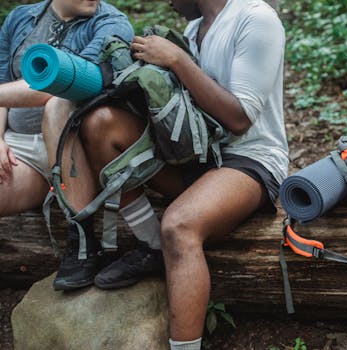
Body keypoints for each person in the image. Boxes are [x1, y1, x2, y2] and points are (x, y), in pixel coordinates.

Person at [43, 0, 288, 348]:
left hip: (249, 159)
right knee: (101, 125)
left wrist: (176, 60)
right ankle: (151, 244)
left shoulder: (255, 17)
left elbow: (239, 118)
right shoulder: (193, 29)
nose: (167, 2)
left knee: (179, 225)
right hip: (196, 151)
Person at [0, 0, 134, 289]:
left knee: (58, 104)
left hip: (76, 149)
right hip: (18, 149)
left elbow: (56, 85)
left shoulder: (111, 23)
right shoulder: (20, 18)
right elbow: (2, 82)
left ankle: (83, 240)